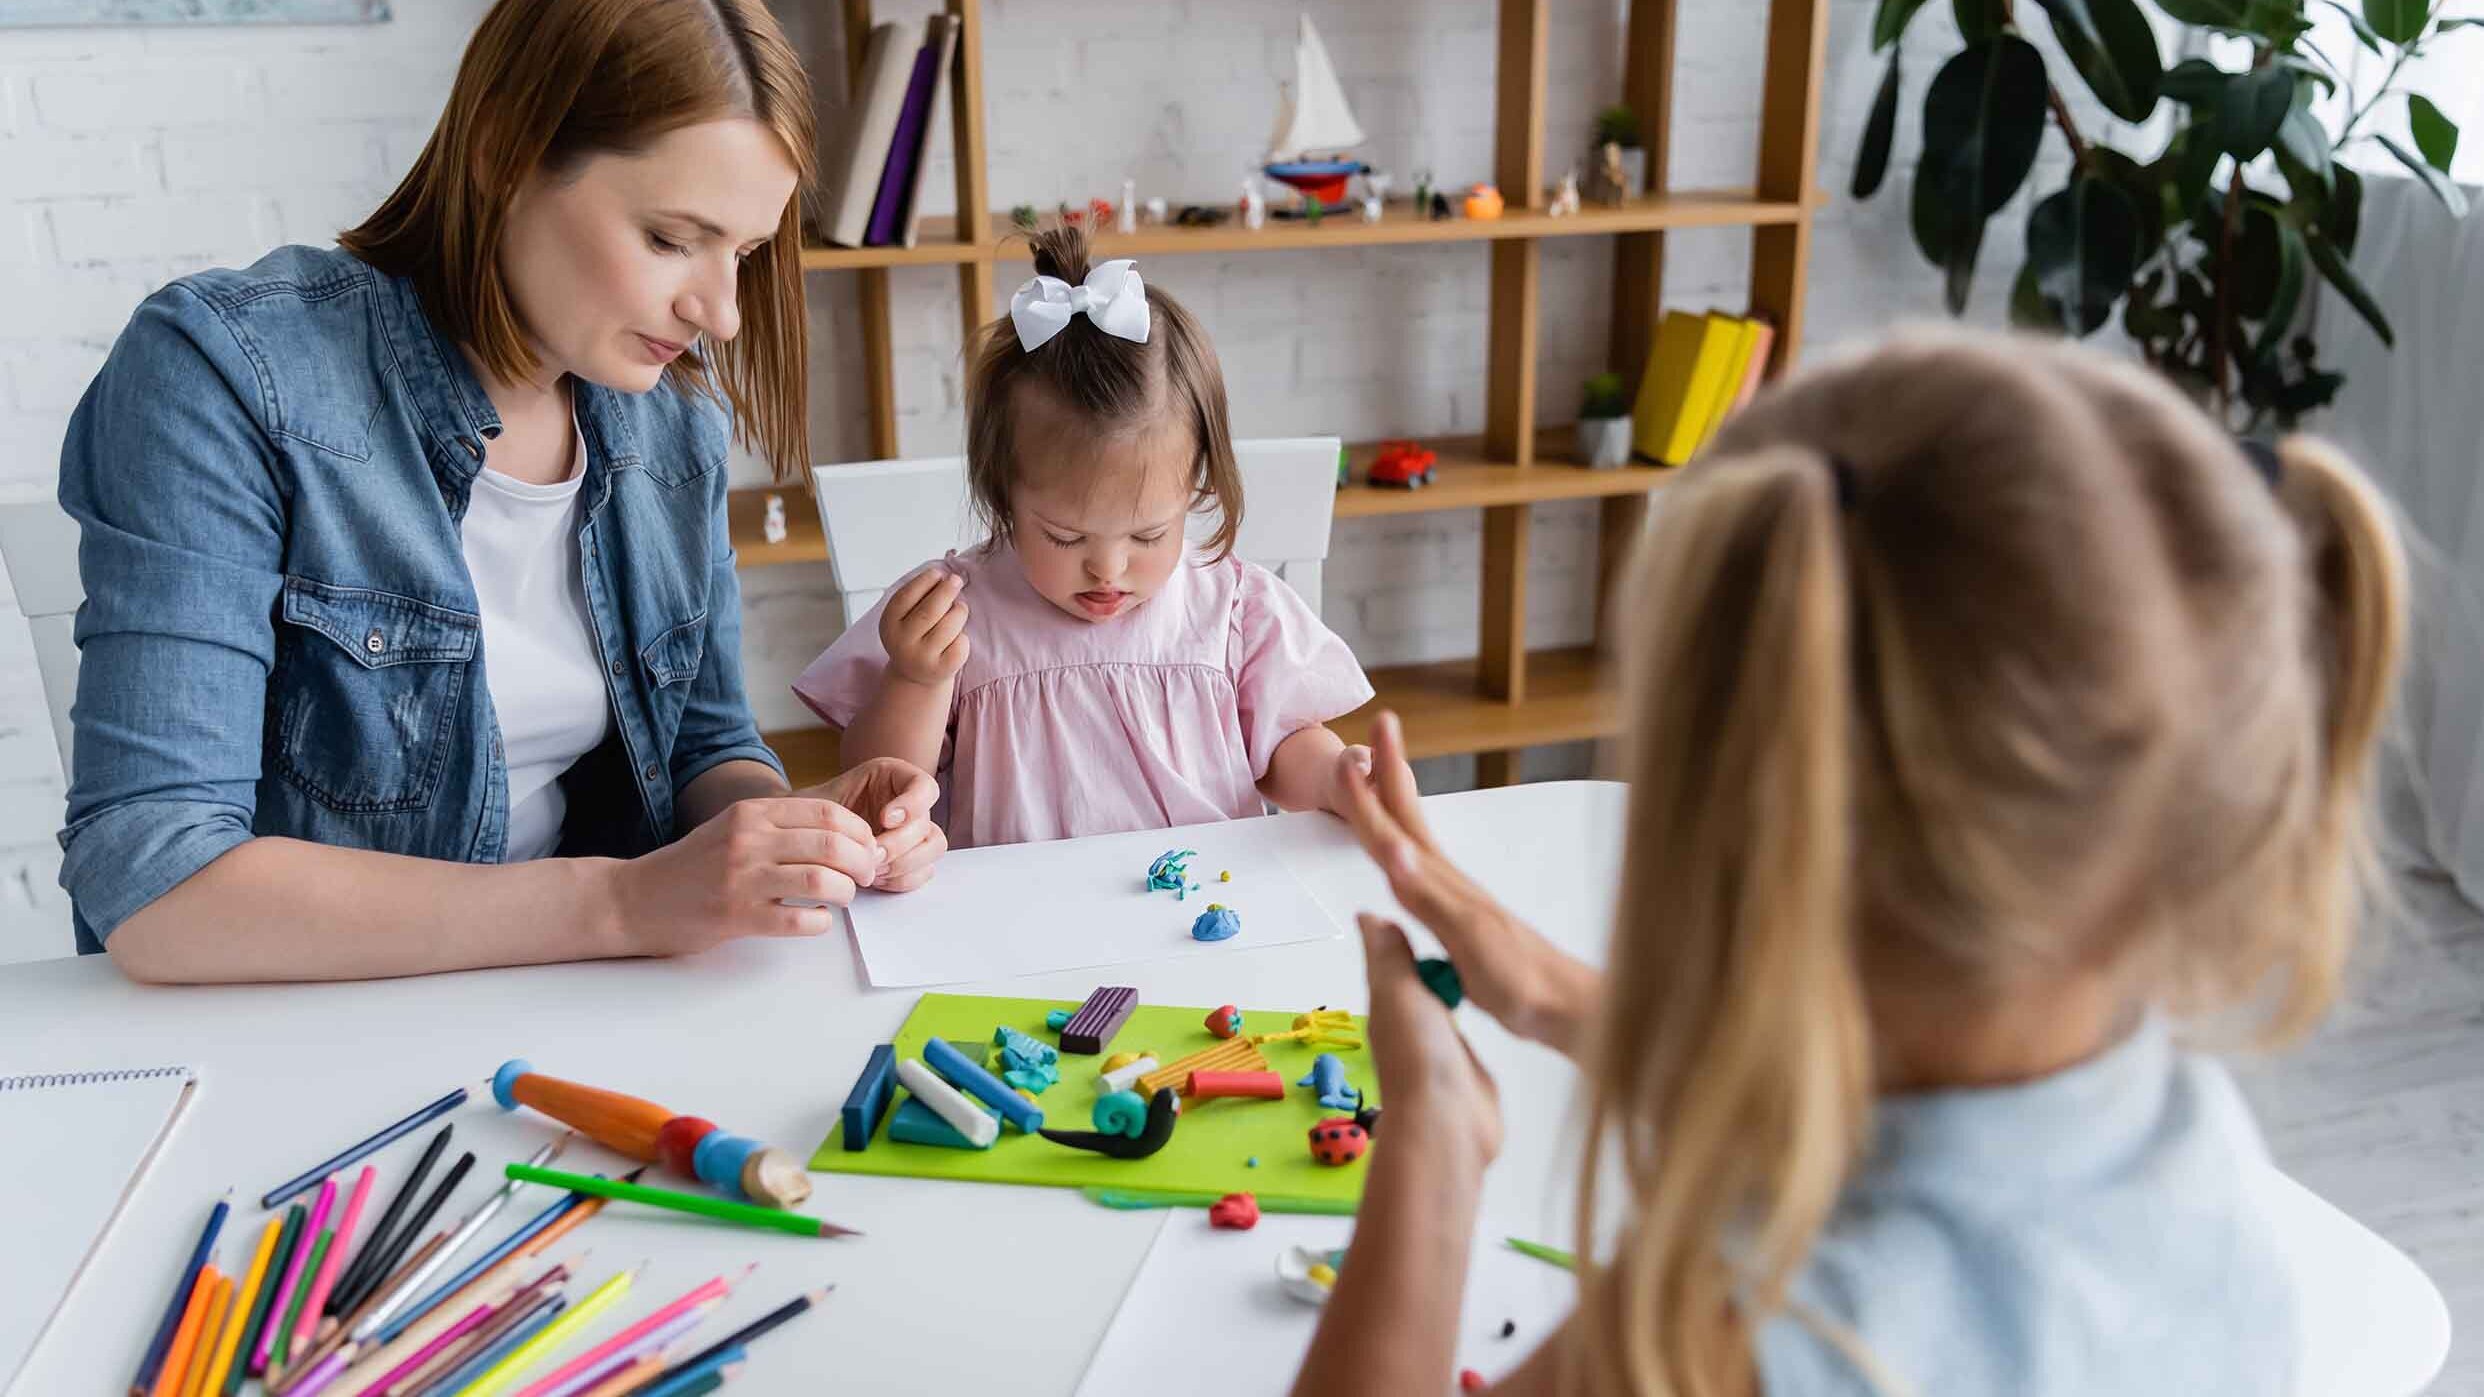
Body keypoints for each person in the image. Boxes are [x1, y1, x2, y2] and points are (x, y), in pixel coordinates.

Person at [1306, 331, 2407, 1395]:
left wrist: (1434, 1145)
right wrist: (1549, 994)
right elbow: (1895, 1121)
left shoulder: (1746, 1339)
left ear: (1745, 834)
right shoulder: (2172, 1129)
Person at [55, 0, 943, 983]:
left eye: (741, 252)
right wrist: (623, 900)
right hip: (296, 1038)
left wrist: (787, 832)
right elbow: (157, 881)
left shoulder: (669, 422)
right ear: (503, 155)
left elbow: (705, 740)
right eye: (668, 238)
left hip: (574, 1007)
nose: (722, 314)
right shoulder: (226, 376)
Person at [793, 224, 1374, 849]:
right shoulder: (952, 615)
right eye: (1066, 538)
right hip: (1017, 923)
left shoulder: (1233, 608)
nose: (1108, 568)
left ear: (1195, 488)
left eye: (1150, 534)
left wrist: (1337, 779)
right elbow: (881, 788)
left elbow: (1283, 752)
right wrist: (915, 680)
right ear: (1003, 493)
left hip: (1203, 913)